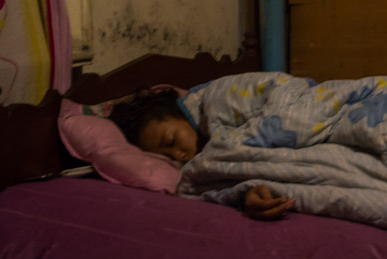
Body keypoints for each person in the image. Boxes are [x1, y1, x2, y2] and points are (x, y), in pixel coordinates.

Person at [109, 89, 294, 220]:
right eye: (169, 158)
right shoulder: (199, 170)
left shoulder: (218, 111)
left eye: (171, 141)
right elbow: (222, 185)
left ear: (181, 115)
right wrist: (246, 194)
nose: (178, 156)